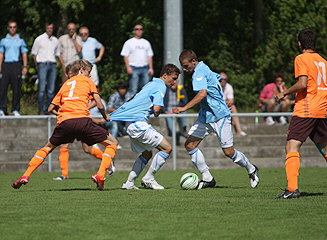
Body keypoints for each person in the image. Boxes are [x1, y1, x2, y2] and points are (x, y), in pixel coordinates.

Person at [12, 59, 118, 191]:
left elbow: (50, 108)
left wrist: (62, 115)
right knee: (112, 143)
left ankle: (25, 175)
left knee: (48, 148)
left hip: (65, 122)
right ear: (81, 70)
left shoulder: (65, 84)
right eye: (89, 72)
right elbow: (100, 104)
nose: (90, 75)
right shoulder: (88, 81)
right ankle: (100, 175)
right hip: (82, 120)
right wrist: (104, 116)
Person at [173, 49, 259, 189]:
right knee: (190, 145)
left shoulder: (199, 73)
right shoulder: (204, 67)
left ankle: (251, 169)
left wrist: (183, 108)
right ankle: (207, 178)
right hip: (205, 117)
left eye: (186, 66)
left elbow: (202, 94)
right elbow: (218, 78)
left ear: (193, 62)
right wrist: (222, 99)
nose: (184, 69)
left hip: (219, 116)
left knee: (229, 152)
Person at [110, 64, 180, 190]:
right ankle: (149, 178)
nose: (175, 82)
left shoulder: (151, 83)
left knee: (147, 153)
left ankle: (129, 183)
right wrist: (157, 112)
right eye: (174, 78)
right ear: (165, 75)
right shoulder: (161, 86)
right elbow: (157, 109)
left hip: (131, 124)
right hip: (139, 124)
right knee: (167, 148)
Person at [275, 29, 327, 199]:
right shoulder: (323, 61)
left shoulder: (301, 58)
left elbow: (302, 83)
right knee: (325, 147)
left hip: (305, 109)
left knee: (291, 146)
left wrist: (284, 93)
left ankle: (292, 189)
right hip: (321, 109)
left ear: (299, 43)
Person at [52, 63, 112, 181]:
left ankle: (107, 160)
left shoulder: (82, 84)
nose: (69, 75)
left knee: (87, 149)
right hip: (73, 119)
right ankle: (64, 174)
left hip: (81, 119)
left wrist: (85, 108)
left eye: (70, 73)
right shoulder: (69, 86)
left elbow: (95, 100)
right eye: (67, 74)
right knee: (65, 145)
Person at [0, 20, 28, 116]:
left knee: (16, 88)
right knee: (3, 88)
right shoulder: (4, 40)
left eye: (14, 27)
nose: (12, 29)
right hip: (6, 65)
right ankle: (2, 109)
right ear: (8, 28)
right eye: (11, 27)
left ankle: (16, 109)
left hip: (16, 65)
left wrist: (25, 66)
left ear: (16, 28)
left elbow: (24, 54)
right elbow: (1, 54)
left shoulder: (20, 40)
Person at [31, 22, 60, 115]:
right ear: (45, 28)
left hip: (52, 64)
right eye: (48, 28)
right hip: (42, 64)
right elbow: (34, 54)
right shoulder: (39, 39)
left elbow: (57, 54)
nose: (50, 30)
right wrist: (37, 65)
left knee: (51, 90)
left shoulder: (55, 40)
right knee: (42, 89)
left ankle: (49, 110)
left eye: (51, 28)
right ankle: (41, 110)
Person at [120, 24, 154, 95]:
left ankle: (145, 106)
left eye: (141, 29)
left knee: (146, 90)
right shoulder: (129, 42)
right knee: (133, 90)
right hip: (133, 68)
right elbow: (125, 55)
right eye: (137, 29)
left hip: (145, 68)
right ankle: (134, 105)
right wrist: (128, 67)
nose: (139, 30)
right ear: (133, 31)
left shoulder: (146, 42)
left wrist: (151, 68)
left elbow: (149, 56)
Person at [219, 72, 246, 136]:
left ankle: (239, 130)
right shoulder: (214, 87)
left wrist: (225, 103)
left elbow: (231, 100)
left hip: (224, 105)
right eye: (221, 79)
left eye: (225, 79)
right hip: (216, 106)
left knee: (233, 107)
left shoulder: (228, 86)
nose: (223, 81)